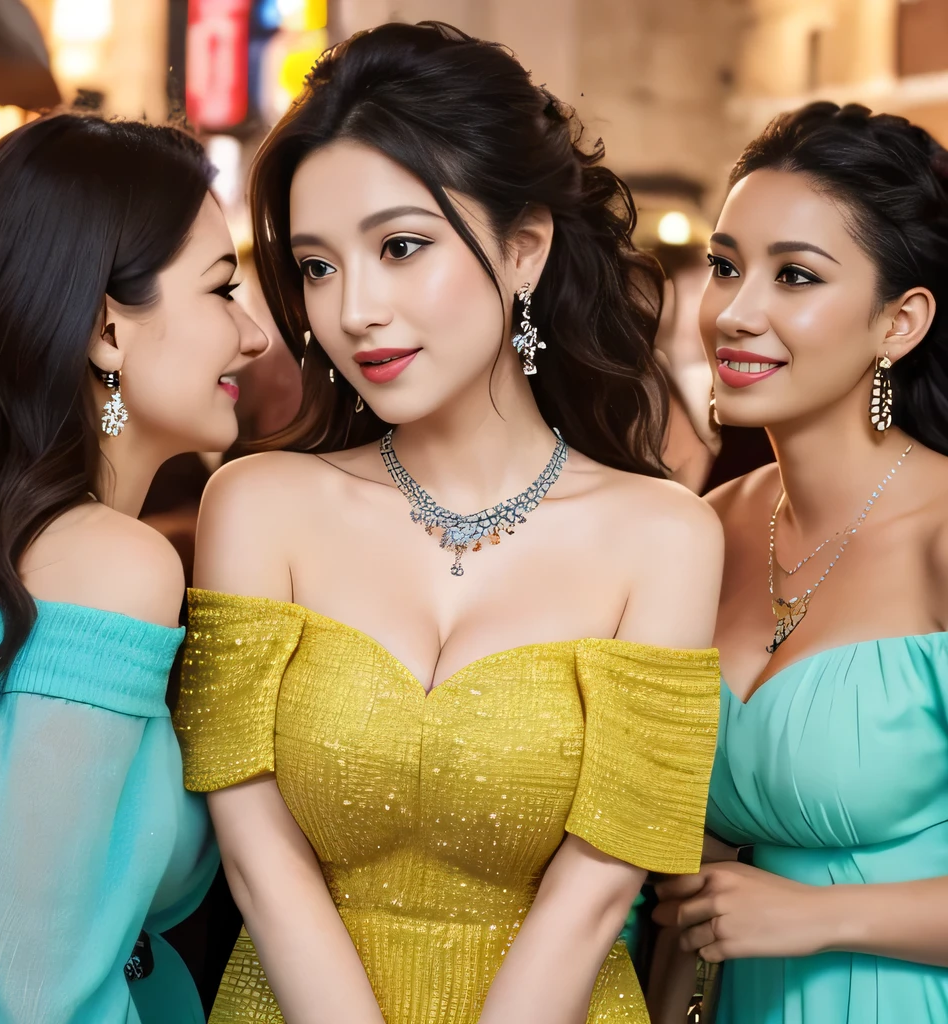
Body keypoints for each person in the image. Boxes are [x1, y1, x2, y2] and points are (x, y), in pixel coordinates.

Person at [174, 21, 722, 1024]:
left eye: (399, 247)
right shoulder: (255, 503)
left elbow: (597, 885)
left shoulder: (666, 535)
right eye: (317, 265)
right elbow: (255, 853)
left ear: (523, 250)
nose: (354, 310)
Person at [0, 112, 266, 1022]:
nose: (255, 334)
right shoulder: (111, 566)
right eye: (222, 289)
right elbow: (18, 989)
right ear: (108, 330)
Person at [653, 102, 948, 1023]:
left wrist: (821, 916)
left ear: (899, 322)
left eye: (795, 276)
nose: (737, 313)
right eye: (727, 267)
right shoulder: (706, 529)